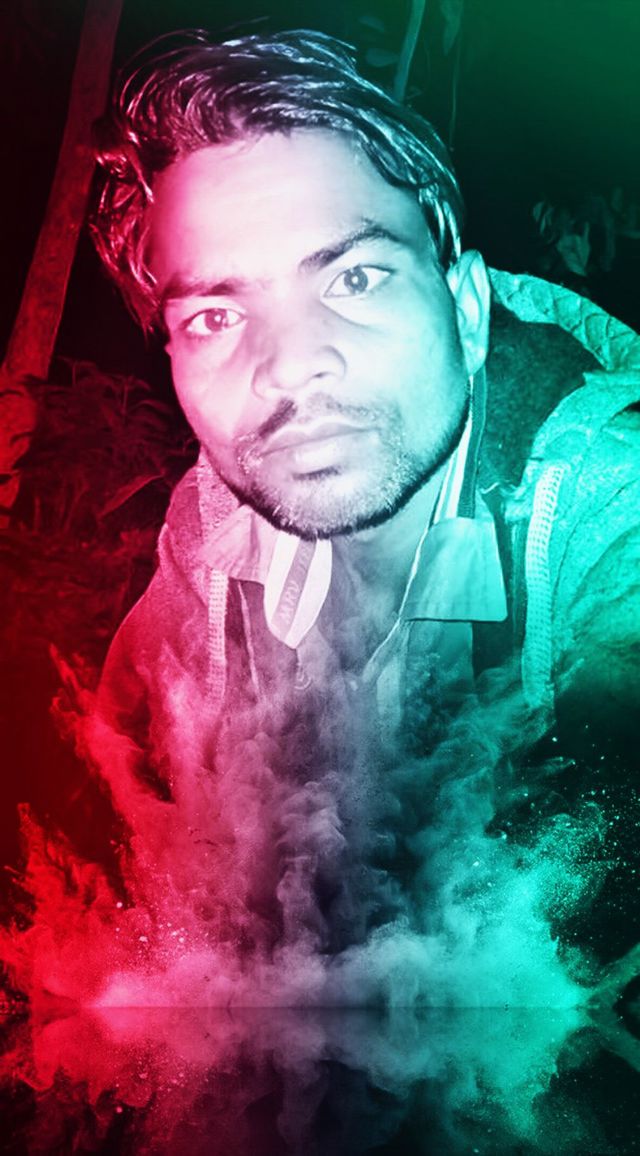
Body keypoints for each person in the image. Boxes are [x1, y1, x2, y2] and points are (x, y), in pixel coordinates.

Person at [85, 30, 640, 968]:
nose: (289, 365)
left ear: (468, 311)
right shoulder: (214, 524)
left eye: (354, 277)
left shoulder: (610, 507)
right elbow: (111, 800)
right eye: (215, 315)